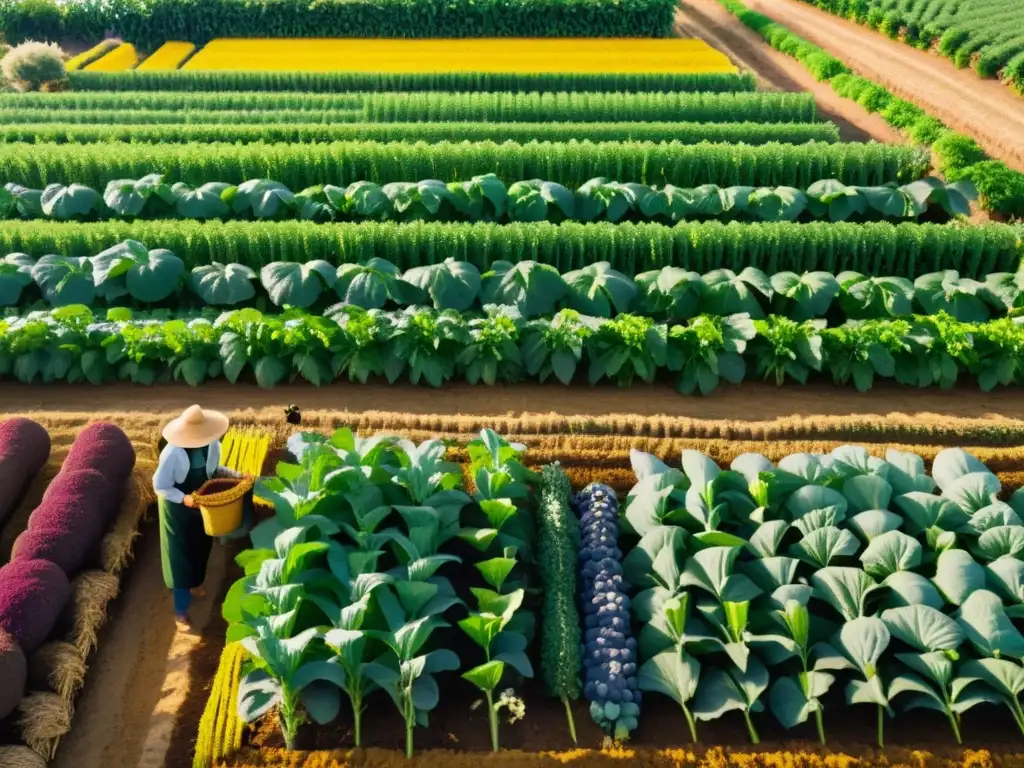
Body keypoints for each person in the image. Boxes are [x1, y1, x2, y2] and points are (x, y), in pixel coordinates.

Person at [153, 405, 244, 628]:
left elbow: (214, 470)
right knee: (180, 557)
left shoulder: (212, 444)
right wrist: (183, 498)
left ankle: (196, 583)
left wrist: (237, 475)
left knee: (202, 544)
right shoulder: (173, 453)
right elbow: (160, 485)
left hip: (202, 503)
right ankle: (181, 612)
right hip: (177, 509)